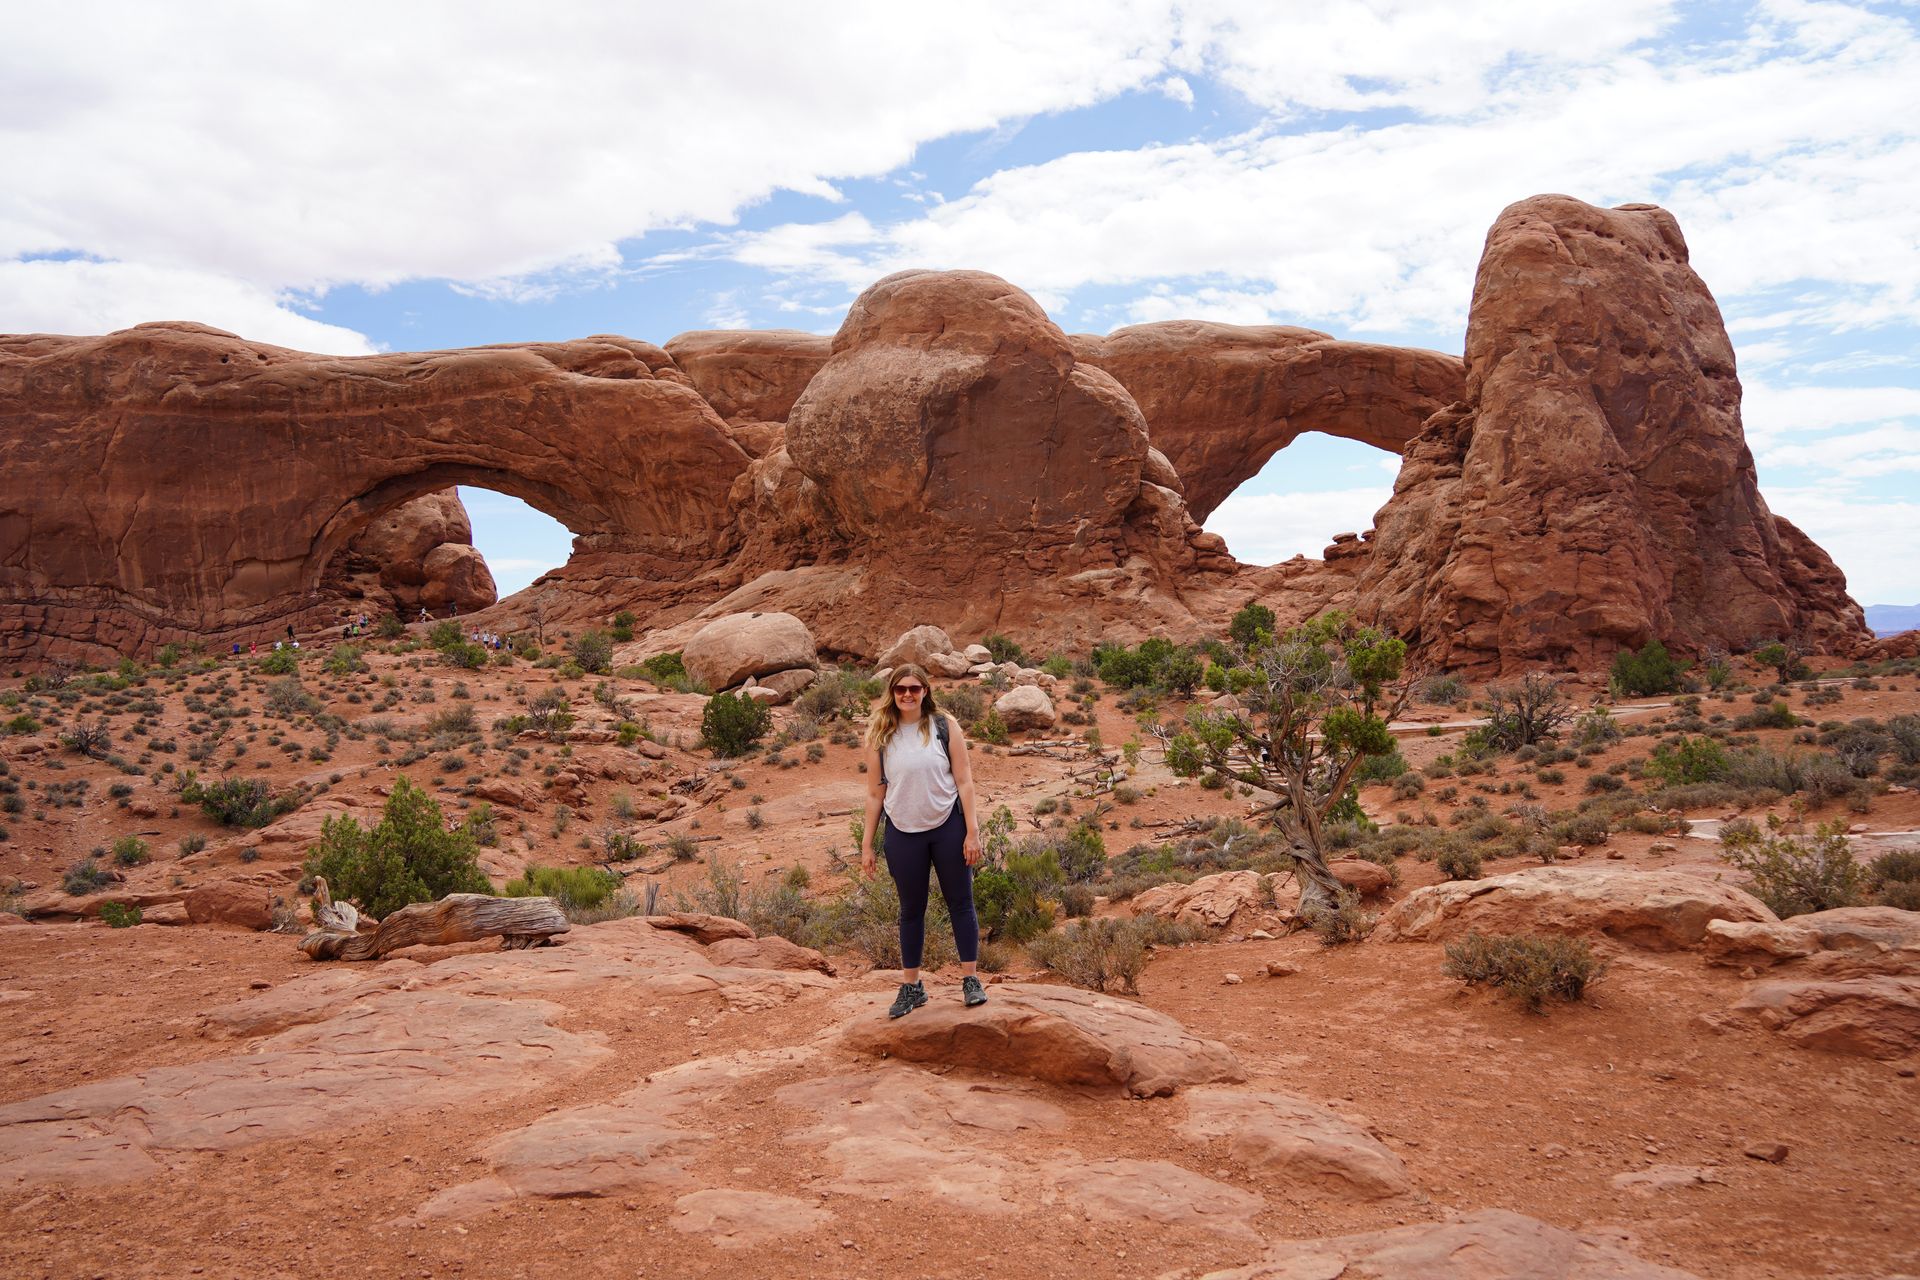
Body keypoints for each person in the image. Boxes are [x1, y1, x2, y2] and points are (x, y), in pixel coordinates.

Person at [860, 663, 987, 1018]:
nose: (907, 695)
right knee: (911, 911)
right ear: (892, 692)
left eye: (914, 688)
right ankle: (912, 987)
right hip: (902, 831)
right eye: (901, 689)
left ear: (926, 691)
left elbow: (964, 781)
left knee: (961, 902)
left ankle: (971, 980)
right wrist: (867, 846)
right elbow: (874, 794)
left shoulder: (944, 727)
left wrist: (972, 831)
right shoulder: (881, 736)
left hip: (948, 826)